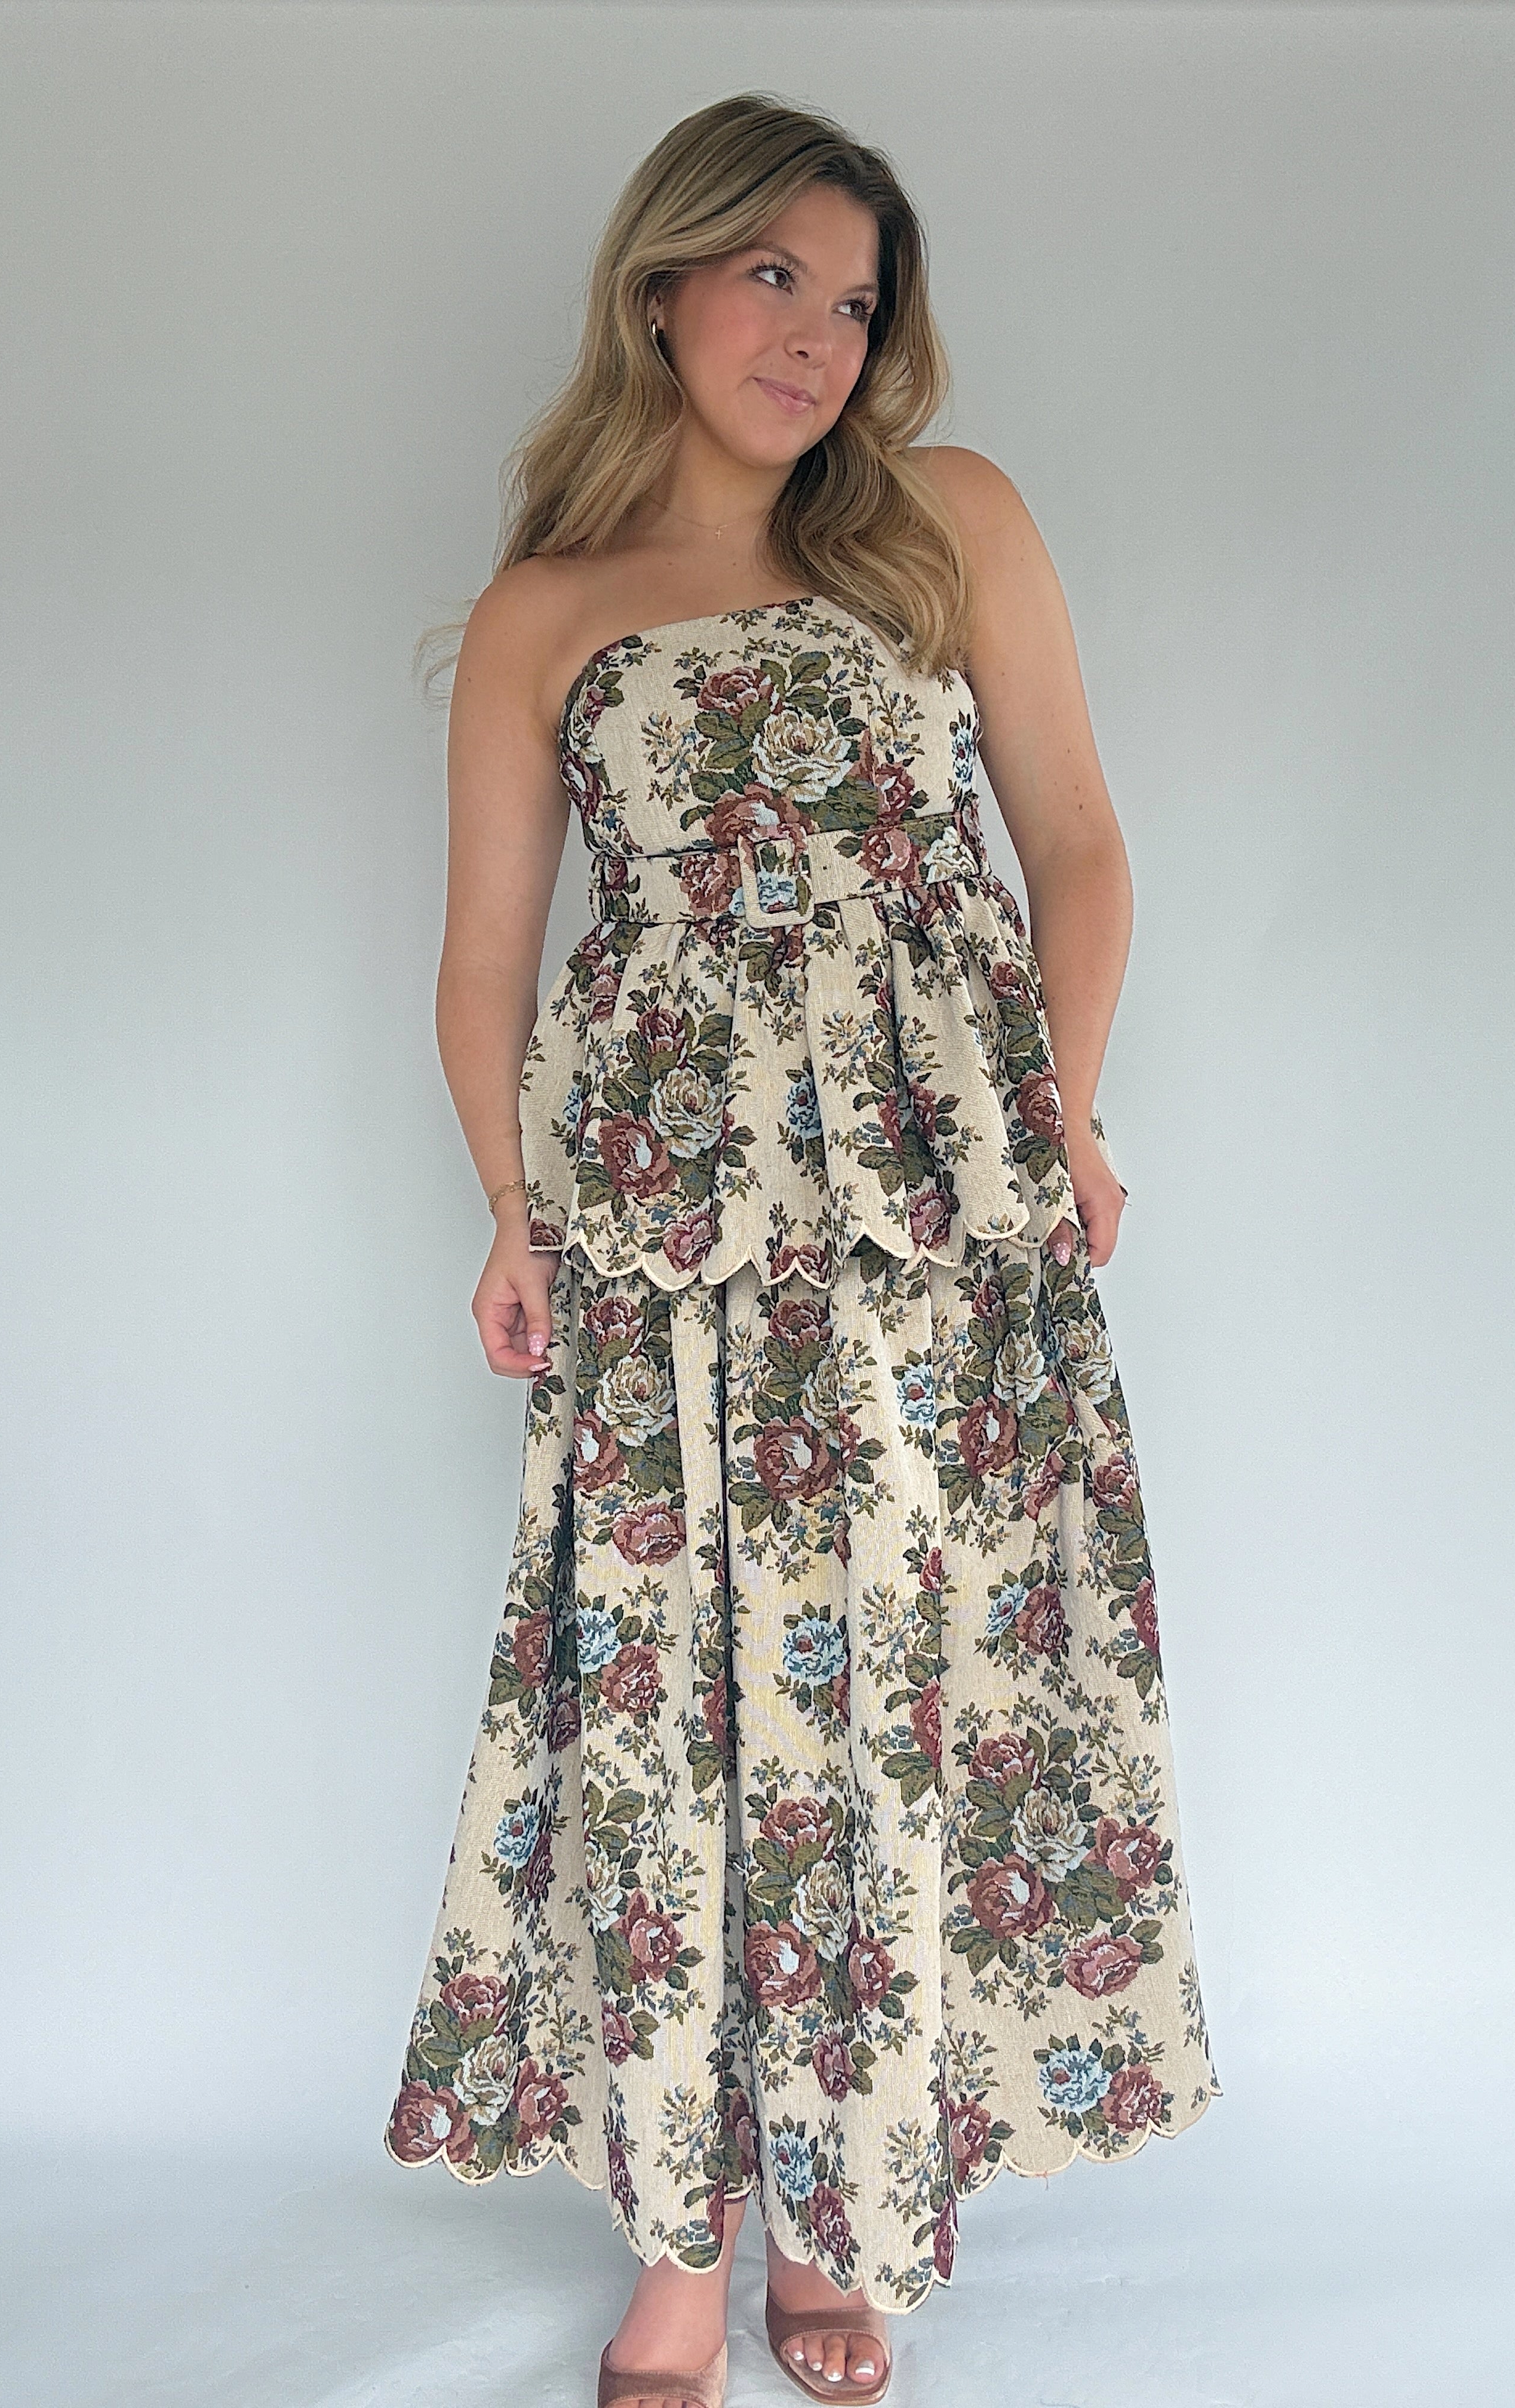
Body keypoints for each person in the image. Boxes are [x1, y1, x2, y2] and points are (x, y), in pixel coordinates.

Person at [385, 90, 1219, 2408]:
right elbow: (481, 963)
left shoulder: (952, 523)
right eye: (778, 278)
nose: (823, 338)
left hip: (929, 1219)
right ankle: (688, 2251)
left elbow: (1077, 843)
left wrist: (1057, 1114)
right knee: (676, 1728)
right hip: (664, 1237)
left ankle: (852, 2210)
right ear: (661, 284)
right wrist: (511, 1212)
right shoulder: (550, 615)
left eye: (858, 303)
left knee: (880, 1714)